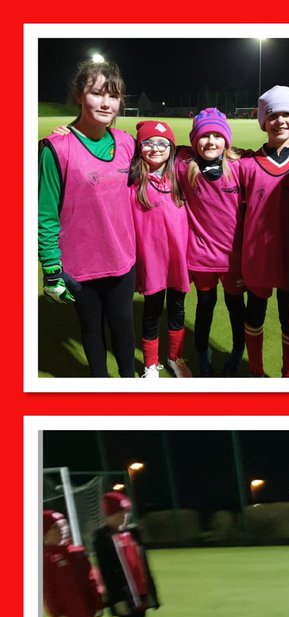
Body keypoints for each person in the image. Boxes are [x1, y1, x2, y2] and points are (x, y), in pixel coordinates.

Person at [37, 58, 137, 377]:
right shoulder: (56, 148)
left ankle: (129, 385)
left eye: (114, 95)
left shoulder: (127, 143)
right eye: (97, 93)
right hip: (81, 266)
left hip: (122, 260)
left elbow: (161, 168)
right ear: (80, 96)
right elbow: (45, 214)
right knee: (92, 329)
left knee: (124, 328)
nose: (106, 103)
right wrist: (51, 269)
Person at [239, 85, 289, 377]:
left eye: (287, 114)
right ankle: (256, 372)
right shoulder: (247, 165)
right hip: (258, 258)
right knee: (254, 315)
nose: (280, 121)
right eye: (272, 115)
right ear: (263, 122)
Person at [175, 109, 246, 376]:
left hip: (233, 258)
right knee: (205, 306)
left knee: (236, 308)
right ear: (194, 141)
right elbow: (151, 147)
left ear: (226, 140)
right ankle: (202, 355)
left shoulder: (239, 166)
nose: (211, 142)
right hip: (202, 257)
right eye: (204, 136)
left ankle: (237, 352)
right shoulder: (184, 166)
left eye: (217, 135)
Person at [129, 120, 191, 379]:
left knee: (177, 309)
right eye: (149, 143)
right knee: (152, 311)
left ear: (171, 148)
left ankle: (175, 358)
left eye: (162, 143)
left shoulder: (179, 177)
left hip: (177, 259)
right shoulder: (133, 181)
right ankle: (151, 364)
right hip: (152, 261)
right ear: (139, 146)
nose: (156, 148)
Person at [92, 492, 163, 617]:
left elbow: (144, 565)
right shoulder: (103, 538)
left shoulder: (133, 533)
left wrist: (151, 592)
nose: (125, 516)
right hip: (123, 597)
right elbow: (106, 572)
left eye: (127, 512)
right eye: (121, 513)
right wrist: (115, 600)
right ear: (110, 515)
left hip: (140, 593)